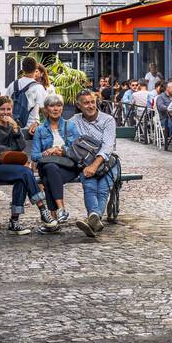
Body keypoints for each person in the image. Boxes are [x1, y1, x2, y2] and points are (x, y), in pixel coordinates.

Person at [0, 96, 60, 235]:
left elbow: (21, 146)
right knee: (25, 172)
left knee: (22, 180)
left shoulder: (13, 126)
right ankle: (43, 210)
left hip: (11, 167)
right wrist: (10, 151)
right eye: (2, 109)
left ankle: (14, 221)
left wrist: (16, 129)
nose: (6, 112)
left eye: (8, 109)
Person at [69, 89, 118, 238]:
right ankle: (94, 220)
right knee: (89, 186)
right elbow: (62, 132)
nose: (90, 106)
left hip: (108, 162)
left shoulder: (108, 120)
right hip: (85, 162)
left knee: (103, 189)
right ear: (79, 105)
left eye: (92, 102)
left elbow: (108, 146)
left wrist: (94, 165)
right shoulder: (74, 121)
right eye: (86, 103)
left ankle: (93, 217)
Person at [31, 93, 81, 225]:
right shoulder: (40, 130)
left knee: (48, 178)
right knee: (50, 167)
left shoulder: (70, 126)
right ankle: (61, 209)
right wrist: (48, 152)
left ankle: (52, 218)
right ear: (46, 109)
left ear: (62, 108)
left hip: (68, 167)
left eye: (58, 105)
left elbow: (77, 151)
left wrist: (62, 151)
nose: (55, 109)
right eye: (52, 106)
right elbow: (34, 155)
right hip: (47, 166)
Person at [5, 56, 47, 137]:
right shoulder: (38, 87)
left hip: (12, 129)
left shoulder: (12, 85)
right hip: (31, 130)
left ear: (23, 68)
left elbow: (5, 104)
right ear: (35, 69)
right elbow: (45, 110)